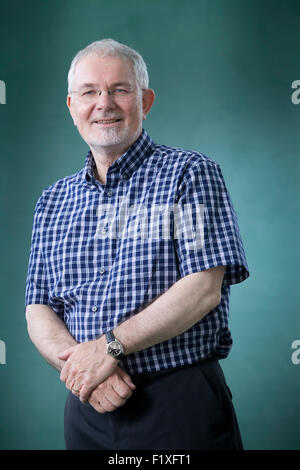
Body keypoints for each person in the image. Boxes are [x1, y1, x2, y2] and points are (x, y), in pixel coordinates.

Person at [25, 38, 249, 450]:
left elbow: (203, 288)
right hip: (87, 406)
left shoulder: (190, 174)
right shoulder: (52, 201)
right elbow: (38, 308)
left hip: (178, 401)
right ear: (71, 107)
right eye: (89, 92)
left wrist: (111, 346)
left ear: (145, 101)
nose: (104, 103)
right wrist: (86, 368)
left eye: (120, 89)